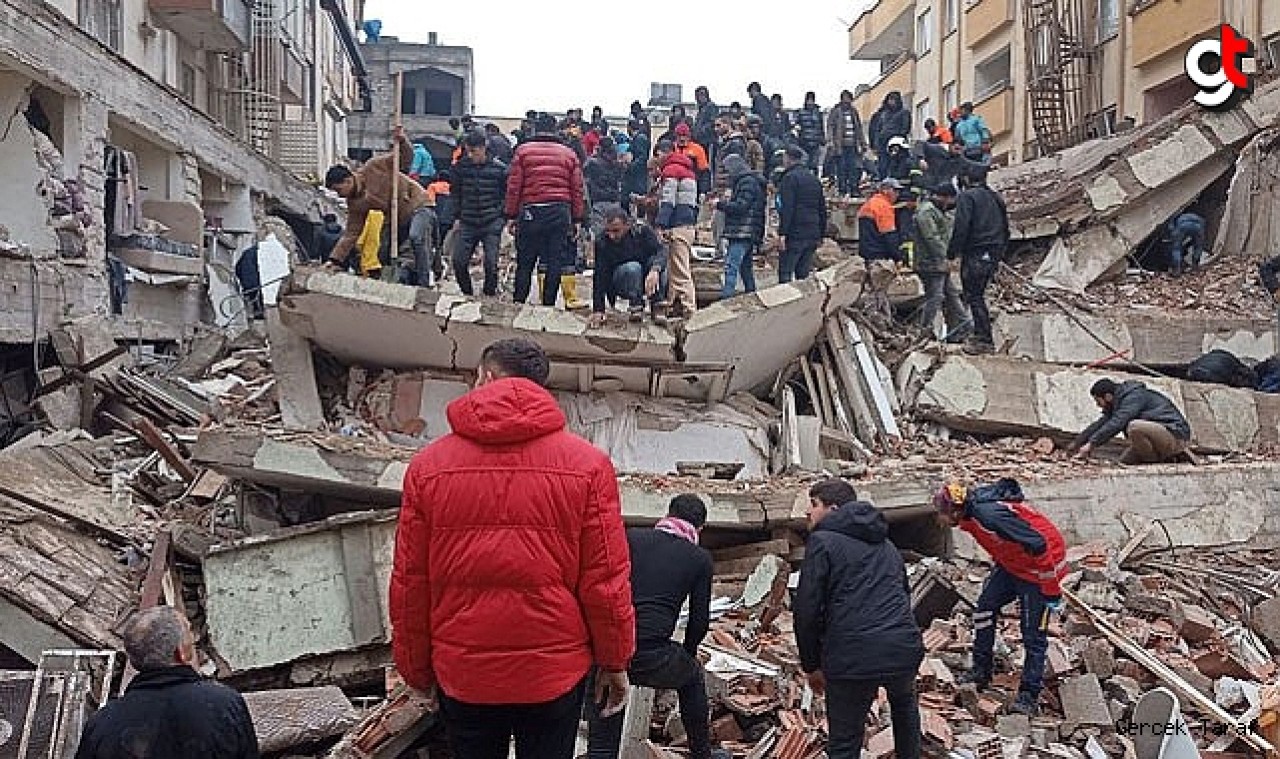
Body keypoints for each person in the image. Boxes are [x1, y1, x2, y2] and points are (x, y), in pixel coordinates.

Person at [390, 338, 635, 759]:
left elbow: (412, 581)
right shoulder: (589, 466)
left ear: (485, 376)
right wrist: (615, 661)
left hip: (464, 671)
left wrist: (416, 669)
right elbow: (605, 579)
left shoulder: (427, 468)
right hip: (553, 672)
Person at [795, 479, 924, 759]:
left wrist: (811, 665)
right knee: (905, 712)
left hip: (852, 656)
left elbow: (807, 609)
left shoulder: (822, 542)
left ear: (834, 509)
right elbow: (904, 595)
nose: (807, 511)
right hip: (901, 649)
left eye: (814, 504)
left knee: (844, 742)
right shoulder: (887, 545)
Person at [586, 495, 716, 759]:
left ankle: (600, 753)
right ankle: (702, 753)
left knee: (607, 699)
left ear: (667, 514)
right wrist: (686, 654)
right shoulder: (699, 558)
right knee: (691, 678)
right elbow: (699, 620)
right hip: (655, 654)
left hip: (613, 647)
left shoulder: (630, 538)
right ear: (700, 528)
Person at [933, 479, 1067, 717]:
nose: (939, 520)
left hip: (1039, 570)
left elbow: (1038, 544)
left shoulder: (989, 516)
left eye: (941, 514)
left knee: (1033, 635)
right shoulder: (971, 516)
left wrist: (1050, 589)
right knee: (984, 609)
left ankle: (1028, 695)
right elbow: (1004, 543)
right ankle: (981, 670)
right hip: (1014, 566)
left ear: (955, 510)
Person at [75, 606, 258, 759]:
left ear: (133, 660)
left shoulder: (101, 725)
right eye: (191, 641)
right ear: (182, 653)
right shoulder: (226, 705)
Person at [324, 127, 435, 286]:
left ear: (348, 180)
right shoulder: (355, 204)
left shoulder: (375, 166)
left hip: (417, 205)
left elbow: (405, 159)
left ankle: (424, 282)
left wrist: (402, 141)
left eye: (338, 190)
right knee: (383, 252)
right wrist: (334, 260)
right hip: (395, 219)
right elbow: (351, 233)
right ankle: (389, 284)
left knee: (416, 237)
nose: (339, 195)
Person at [504, 113, 586, 307]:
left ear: (535, 129)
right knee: (554, 260)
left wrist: (511, 215)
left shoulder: (523, 151)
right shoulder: (568, 154)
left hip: (531, 211)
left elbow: (514, 186)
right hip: (559, 211)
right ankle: (548, 304)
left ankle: (518, 301)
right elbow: (577, 188)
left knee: (525, 260)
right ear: (555, 130)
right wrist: (577, 218)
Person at [947, 169, 1009, 354]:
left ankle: (983, 339)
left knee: (974, 296)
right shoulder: (995, 197)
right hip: (993, 251)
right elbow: (1005, 227)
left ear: (965, 179)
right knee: (978, 294)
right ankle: (978, 332)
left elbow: (961, 227)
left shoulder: (967, 197)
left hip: (976, 251)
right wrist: (1000, 253)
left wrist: (952, 252)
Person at [1071, 379, 1192, 464]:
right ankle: (1162, 459)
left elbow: (1117, 423)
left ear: (1107, 396)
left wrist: (1091, 445)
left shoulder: (1133, 398)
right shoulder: (1117, 403)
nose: (1098, 405)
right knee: (1122, 463)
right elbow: (1101, 424)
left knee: (1134, 426)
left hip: (1174, 434)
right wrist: (1076, 444)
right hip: (1157, 439)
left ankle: (1155, 462)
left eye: (1098, 401)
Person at [451, 131, 509, 297]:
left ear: (483, 148)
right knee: (459, 262)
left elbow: (506, 195)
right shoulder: (460, 169)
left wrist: (501, 215)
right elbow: (455, 194)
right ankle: (467, 293)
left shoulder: (499, 170)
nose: (470, 155)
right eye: (468, 151)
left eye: (473, 151)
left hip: (491, 221)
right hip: (467, 221)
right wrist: (456, 217)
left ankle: (488, 295)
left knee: (491, 264)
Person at [589, 207, 667, 326]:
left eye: (616, 231)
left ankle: (657, 307)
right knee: (633, 268)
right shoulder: (602, 242)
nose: (611, 236)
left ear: (627, 225)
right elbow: (599, 274)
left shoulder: (643, 231)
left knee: (659, 266)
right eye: (608, 231)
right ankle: (636, 305)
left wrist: (655, 270)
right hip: (622, 280)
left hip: (647, 279)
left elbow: (661, 252)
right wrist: (598, 310)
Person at [913, 184, 969, 339]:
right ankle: (924, 329)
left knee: (951, 294)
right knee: (936, 296)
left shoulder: (938, 211)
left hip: (938, 262)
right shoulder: (927, 212)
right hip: (930, 262)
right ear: (944, 197)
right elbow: (932, 238)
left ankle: (964, 325)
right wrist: (947, 256)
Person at [714, 154, 766, 300]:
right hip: (749, 231)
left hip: (742, 231)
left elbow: (741, 207)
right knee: (745, 268)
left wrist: (720, 204)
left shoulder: (746, 183)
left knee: (731, 266)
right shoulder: (749, 182)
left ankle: (726, 299)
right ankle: (752, 295)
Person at [776, 145, 827, 283]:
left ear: (788, 158)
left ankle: (786, 302)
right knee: (803, 275)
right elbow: (822, 208)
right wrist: (821, 233)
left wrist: (782, 234)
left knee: (785, 272)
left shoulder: (789, 178)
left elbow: (787, 208)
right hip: (812, 232)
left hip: (795, 233)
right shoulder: (813, 179)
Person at [857, 179, 905, 324]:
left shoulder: (869, 204)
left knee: (875, 291)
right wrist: (898, 257)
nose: (897, 194)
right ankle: (878, 324)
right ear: (885, 190)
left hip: (867, 253)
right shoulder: (884, 207)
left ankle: (884, 322)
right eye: (895, 190)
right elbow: (889, 235)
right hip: (879, 256)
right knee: (877, 293)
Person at [826, 91, 867, 196]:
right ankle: (842, 189)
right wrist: (831, 142)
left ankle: (854, 188)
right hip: (840, 146)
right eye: (845, 98)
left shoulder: (854, 112)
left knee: (854, 168)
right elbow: (830, 127)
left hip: (853, 145)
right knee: (841, 168)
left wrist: (863, 143)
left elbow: (859, 128)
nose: (847, 101)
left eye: (848, 98)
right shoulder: (835, 111)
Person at [583, 136, 625, 237]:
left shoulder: (592, 163)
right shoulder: (618, 164)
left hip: (598, 201)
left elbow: (585, 178)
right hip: (614, 200)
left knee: (599, 235)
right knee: (615, 234)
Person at [868, 92, 911, 180]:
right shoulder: (884, 114)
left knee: (895, 166)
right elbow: (878, 129)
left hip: (896, 143)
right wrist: (876, 144)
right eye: (890, 99)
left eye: (893, 100)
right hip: (883, 144)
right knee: (882, 166)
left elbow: (905, 128)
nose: (891, 102)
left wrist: (898, 140)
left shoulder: (904, 112)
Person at [1186, 349, 1257, 389]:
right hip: (1197, 368)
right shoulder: (1223, 376)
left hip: (1198, 364)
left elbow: (1215, 351)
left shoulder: (1232, 360)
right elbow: (1192, 372)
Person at [623, 120, 652, 213]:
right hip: (637, 176)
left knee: (638, 199)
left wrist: (630, 166)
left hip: (638, 176)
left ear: (629, 128)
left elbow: (642, 157)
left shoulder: (639, 139)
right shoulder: (638, 138)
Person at [795, 92, 825, 174]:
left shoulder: (818, 113)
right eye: (808, 100)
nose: (810, 102)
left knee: (815, 164)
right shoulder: (800, 113)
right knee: (804, 163)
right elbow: (796, 126)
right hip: (804, 142)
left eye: (812, 100)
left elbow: (821, 127)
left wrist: (822, 139)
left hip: (815, 142)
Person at [1168, 211, 1206, 276]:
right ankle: (1195, 267)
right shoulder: (1199, 217)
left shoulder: (1178, 217)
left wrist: (1174, 237)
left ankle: (1177, 269)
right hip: (1198, 225)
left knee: (1176, 248)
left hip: (1182, 225)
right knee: (1198, 246)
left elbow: (1170, 227)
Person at [692, 86, 720, 158]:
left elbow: (713, 121)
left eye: (702, 94)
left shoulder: (711, 106)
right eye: (698, 95)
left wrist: (702, 130)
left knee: (709, 162)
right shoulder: (700, 109)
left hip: (708, 140)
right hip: (699, 141)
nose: (700, 97)